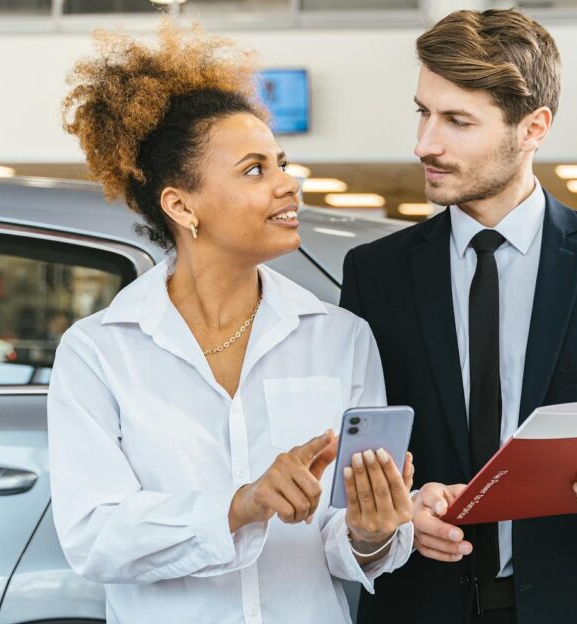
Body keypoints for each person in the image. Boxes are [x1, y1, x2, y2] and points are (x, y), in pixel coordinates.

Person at [340, 9, 577, 624]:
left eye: (456, 121)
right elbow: (354, 458)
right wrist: (398, 517)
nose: (425, 143)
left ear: (533, 127)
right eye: (423, 112)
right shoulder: (375, 274)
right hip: (419, 606)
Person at [47, 23, 415, 624]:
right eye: (254, 170)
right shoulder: (99, 352)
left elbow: (347, 545)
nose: (287, 183)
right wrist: (241, 505)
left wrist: (370, 531)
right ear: (181, 205)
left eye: (283, 163)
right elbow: (94, 536)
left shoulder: (340, 337)